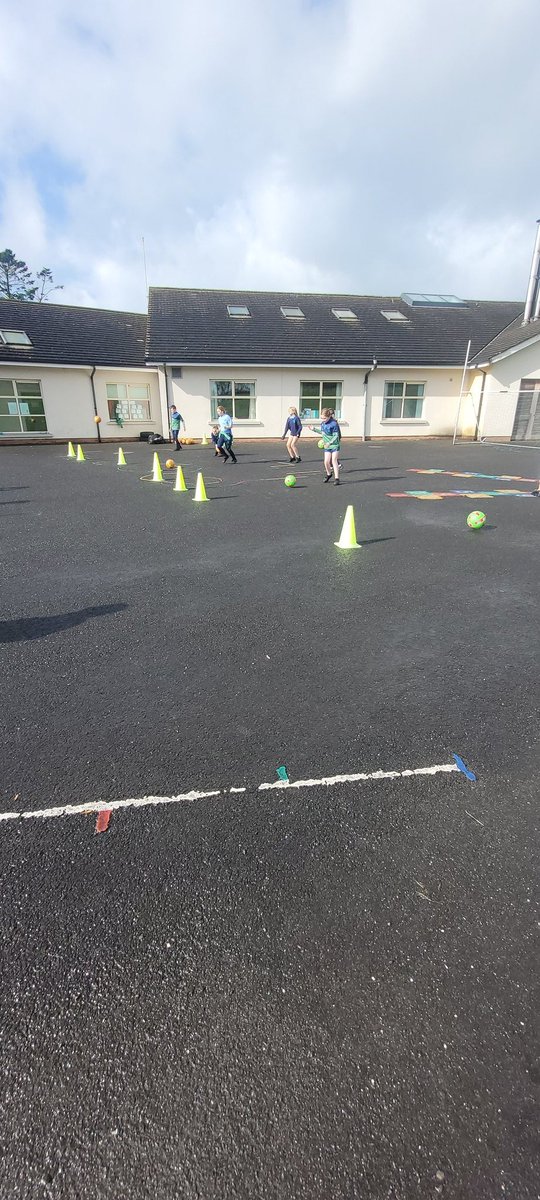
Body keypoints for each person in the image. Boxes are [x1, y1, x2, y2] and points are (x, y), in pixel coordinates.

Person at [311, 408, 341, 484]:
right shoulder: (323, 424)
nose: (323, 419)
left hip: (334, 445)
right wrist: (314, 429)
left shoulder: (334, 424)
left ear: (329, 416)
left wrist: (329, 443)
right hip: (327, 446)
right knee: (326, 462)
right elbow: (323, 433)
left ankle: (337, 478)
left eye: (324, 418)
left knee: (334, 460)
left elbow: (336, 436)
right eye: (321, 418)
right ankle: (329, 474)